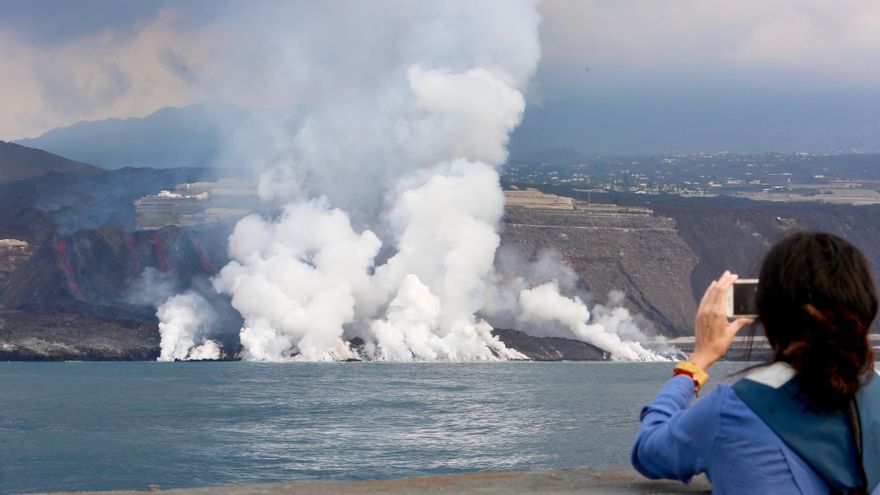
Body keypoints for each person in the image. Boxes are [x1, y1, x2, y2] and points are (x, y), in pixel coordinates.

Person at [631, 231, 880, 494]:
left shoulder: (730, 411)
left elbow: (647, 450)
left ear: (768, 315)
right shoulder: (873, 394)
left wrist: (696, 362)